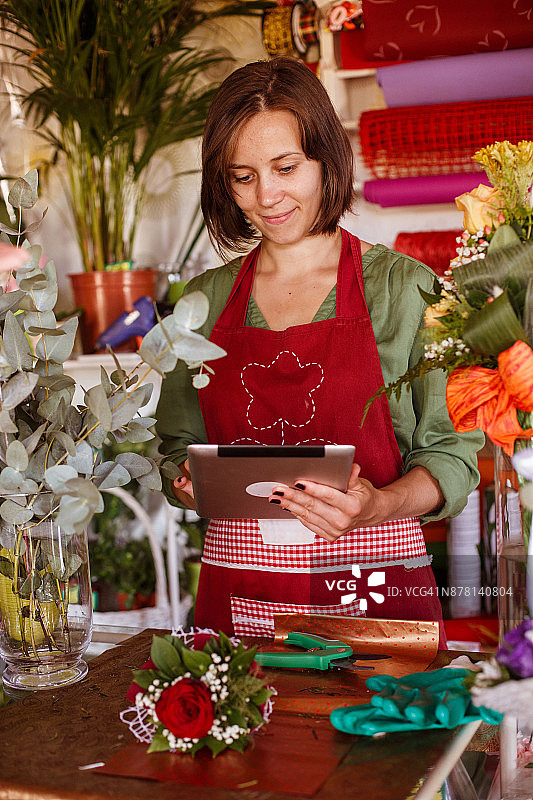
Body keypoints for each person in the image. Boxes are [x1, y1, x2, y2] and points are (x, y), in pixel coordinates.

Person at [156, 57, 484, 644]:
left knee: (376, 734)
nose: (267, 197)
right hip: (240, 599)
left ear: (326, 158)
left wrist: (377, 504)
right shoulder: (204, 300)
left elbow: (452, 455)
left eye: (286, 167)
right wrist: (185, 478)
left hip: (375, 594)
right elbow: (175, 445)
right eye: (242, 176)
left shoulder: (403, 289)